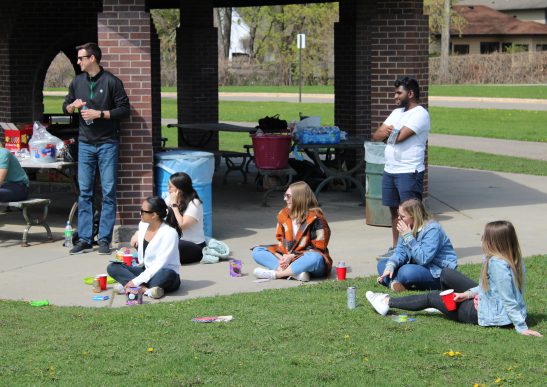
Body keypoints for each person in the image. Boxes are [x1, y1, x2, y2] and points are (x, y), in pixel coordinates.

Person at [366, 221, 542, 337]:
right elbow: (494, 289)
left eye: (485, 237)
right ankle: (444, 307)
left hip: (490, 315)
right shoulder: (513, 258)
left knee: (432, 297)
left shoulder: (497, 264)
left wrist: (521, 327)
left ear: (495, 242)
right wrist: (467, 295)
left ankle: (386, 302)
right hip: (492, 306)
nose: (481, 239)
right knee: (447, 273)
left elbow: (508, 298)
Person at [63, 42, 130, 255]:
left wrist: (99, 114)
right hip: (85, 144)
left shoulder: (111, 82)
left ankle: (103, 239)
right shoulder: (77, 82)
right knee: (85, 191)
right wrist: (71, 107)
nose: (78, 61)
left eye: (81, 58)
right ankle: (84, 238)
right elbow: (66, 105)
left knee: (108, 191)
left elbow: (124, 110)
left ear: (92, 58)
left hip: (107, 143)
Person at [372, 76, 430, 260]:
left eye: (399, 93)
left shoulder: (420, 114)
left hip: (409, 171)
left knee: (412, 214)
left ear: (410, 93)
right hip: (391, 170)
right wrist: (386, 132)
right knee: (395, 212)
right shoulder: (397, 113)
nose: (395, 97)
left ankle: (415, 250)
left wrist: (388, 132)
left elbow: (398, 137)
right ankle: (397, 249)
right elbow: (376, 135)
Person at [252, 181, 332, 282]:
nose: (284, 199)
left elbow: (319, 248)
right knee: (258, 251)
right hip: (288, 257)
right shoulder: (283, 214)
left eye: (288, 196)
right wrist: (286, 256)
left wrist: (293, 256)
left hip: (308, 260)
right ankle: (296, 273)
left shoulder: (316, 218)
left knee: (315, 258)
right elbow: (280, 240)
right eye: (285, 195)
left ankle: (277, 274)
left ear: (299, 198)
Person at [107, 196, 181, 299]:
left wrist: (135, 281)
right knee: (113, 267)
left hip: (163, 273)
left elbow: (160, 264)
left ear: (154, 215)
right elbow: (145, 254)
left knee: (168, 274)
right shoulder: (143, 225)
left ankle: (130, 286)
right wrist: (135, 238)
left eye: (143, 211)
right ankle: (145, 290)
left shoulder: (170, 233)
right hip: (146, 270)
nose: (140, 213)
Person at [376, 199, 457, 292]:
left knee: (405, 271)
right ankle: (395, 284)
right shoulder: (406, 227)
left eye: (402, 216)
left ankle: (391, 281)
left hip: (437, 272)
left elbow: (423, 259)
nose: (399, 218)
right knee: (382, 264)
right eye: (399, 215)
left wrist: (408, 237)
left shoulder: (433, 229)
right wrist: (391, 266)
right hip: (417, 267)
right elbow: (400, 252)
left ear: (414, 217)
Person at [165, 172, 206, 264]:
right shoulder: (168, 199)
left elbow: (182, 226)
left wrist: (174, 206)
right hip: (175, 242)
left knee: (175, 244)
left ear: (180, 189)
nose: (168, 189)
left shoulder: (195, 203)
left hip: (194, 246)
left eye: (171, 187)